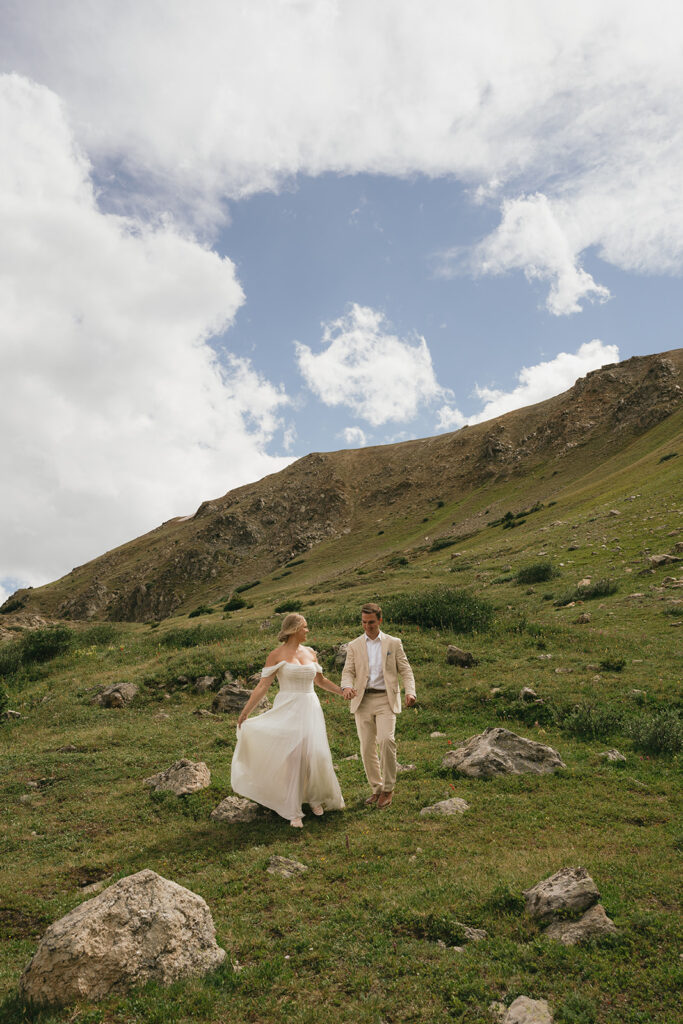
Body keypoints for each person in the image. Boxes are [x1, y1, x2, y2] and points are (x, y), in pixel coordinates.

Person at [231, 613, 355, 828]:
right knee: (293, 756)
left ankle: (315, 798)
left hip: (310, 707)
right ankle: (292, 808)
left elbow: (321, 681)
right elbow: (263, 686)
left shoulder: (310, 653)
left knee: (313, 753)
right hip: (287, 708)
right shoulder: (276, 655)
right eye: (305, 627)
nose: (307, 631)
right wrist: (245, 712)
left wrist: (342, 691)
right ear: (294, 629)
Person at [340, 602, 416, 809]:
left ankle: (389, 789)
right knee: (366, 747)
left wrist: (410, 691)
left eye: (371, 622)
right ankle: (376, 788)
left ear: (380, 620)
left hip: (386, 699)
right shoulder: (354, 645)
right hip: (362, 700)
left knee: (386, 740)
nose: (367, 626)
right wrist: (346, 687)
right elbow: (348, 671)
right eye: (364, 622)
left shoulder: (393, 643)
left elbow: (406, 670)